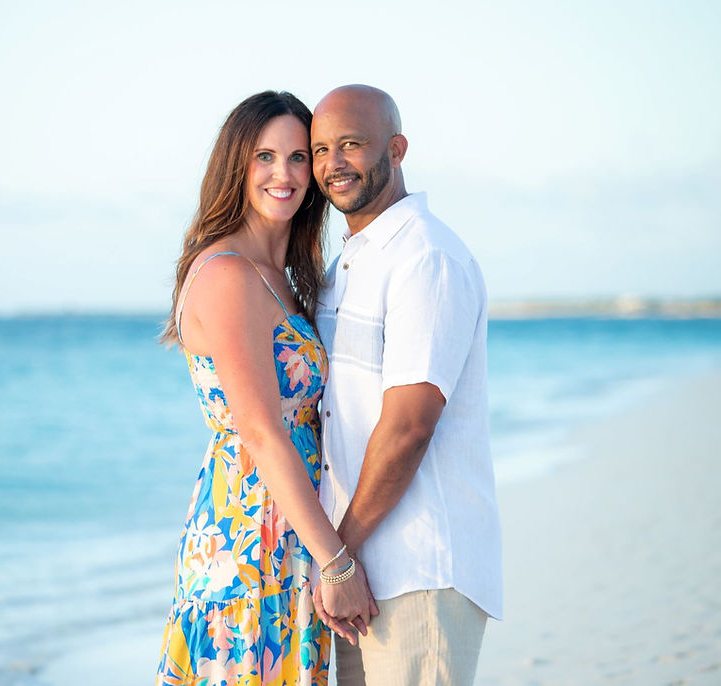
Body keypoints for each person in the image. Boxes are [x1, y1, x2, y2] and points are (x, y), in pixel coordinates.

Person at [155, 90, 376, 686]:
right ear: (237, 166)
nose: (285, 174)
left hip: (290, 531)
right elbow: (259, 428)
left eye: (299, 157)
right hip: (248, 535)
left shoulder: (279, 276)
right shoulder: (227, 274)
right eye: (265, 157)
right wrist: (335, 561)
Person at [309, 85, 503, 686]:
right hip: (361, 566)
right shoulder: (349, 264)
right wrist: (337, 560)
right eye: (319, 150)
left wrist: (337, 557)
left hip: (420, 568)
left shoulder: (426, 258)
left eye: (351, 145)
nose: (332, 164)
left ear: (396, 148)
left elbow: (409, 428)